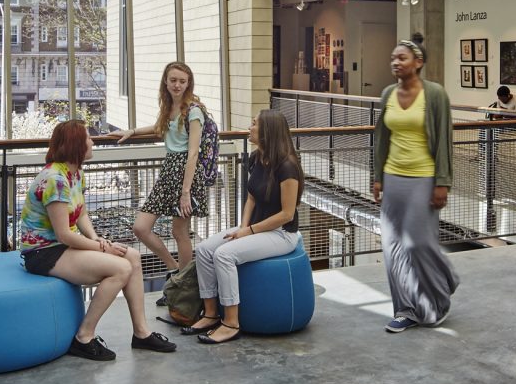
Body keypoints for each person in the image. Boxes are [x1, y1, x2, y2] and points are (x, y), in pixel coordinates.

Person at [16, 120, 178, 360]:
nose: (92, 142)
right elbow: (64, 234)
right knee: (120, 268)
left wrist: (96, 238)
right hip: (43, 253)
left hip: (62, 247)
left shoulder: (75, 173)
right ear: (76, 145)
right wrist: (102, 246)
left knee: (132, 256)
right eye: (88, 139)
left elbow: (80, 212)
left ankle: (142, 333)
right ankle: (84, 337)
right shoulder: (55, 179)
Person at [186, 108, 305, 344]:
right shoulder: (256, 158)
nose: (249, 127)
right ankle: (210, 314)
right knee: (204, 250)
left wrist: (248, 232)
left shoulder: (288, 166)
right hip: (255, 229)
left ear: (267, 131)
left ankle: (231, 322)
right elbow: (251, 197)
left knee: (223, 255)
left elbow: (286, 214)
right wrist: (242, 228)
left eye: (254, 124)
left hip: (281, 234)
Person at [371, 35, 458, 332]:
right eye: (393, 58)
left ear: (418, 63)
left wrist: (442, 182)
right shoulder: (387, 94)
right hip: (393, 176)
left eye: (402, 58)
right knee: (393, 246)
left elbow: (445, 139)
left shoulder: (434, 95)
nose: (396, 62)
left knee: (418, 242)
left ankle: (440, 293)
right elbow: (381, 138)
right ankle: (406, 309)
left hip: (424, 176)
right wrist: (378, 177)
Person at [115, 62, 211, 278]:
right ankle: (174, 269)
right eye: (173, 80)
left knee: (179, 232)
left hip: (186, 173)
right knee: (141, 228)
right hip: (169, 171)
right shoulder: (169, 106)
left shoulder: (194, 112)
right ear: (166, 82)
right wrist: (133, 131)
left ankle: (183, 281)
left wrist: (186, 193)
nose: (177, 85)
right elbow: (160, 127)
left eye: (182, 81)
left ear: (189, 84)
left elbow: (193, 153)